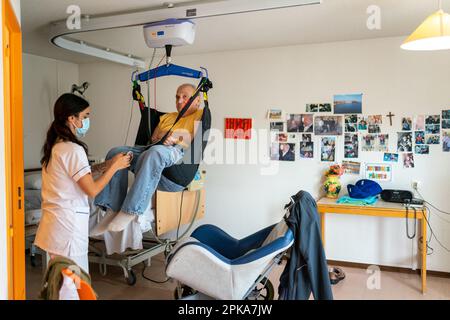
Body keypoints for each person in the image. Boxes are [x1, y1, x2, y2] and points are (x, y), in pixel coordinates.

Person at [34, 93, 131, 273]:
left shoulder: (57, 146)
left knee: (60, 282)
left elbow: (77, 174)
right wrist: (115, 167)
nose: (87, 121)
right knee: (73, 284)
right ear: (72, 118)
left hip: (55, 228)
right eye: (85, 116)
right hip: (67, 229)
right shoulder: (73, 149)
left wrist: (106, 165)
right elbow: (92, 190)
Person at [92, 83, 203, 234]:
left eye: (185, 97)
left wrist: (175, 136)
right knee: (117, 152)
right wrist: (166, 135)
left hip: (178, 157)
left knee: (156, 152)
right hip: (152, 151)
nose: (179, 101)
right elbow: (154, 138)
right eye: (177, 97)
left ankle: (131, 211)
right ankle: (112, 209)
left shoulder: (200, 116)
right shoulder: (166, 117)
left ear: (197, 100)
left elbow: (195, 139)